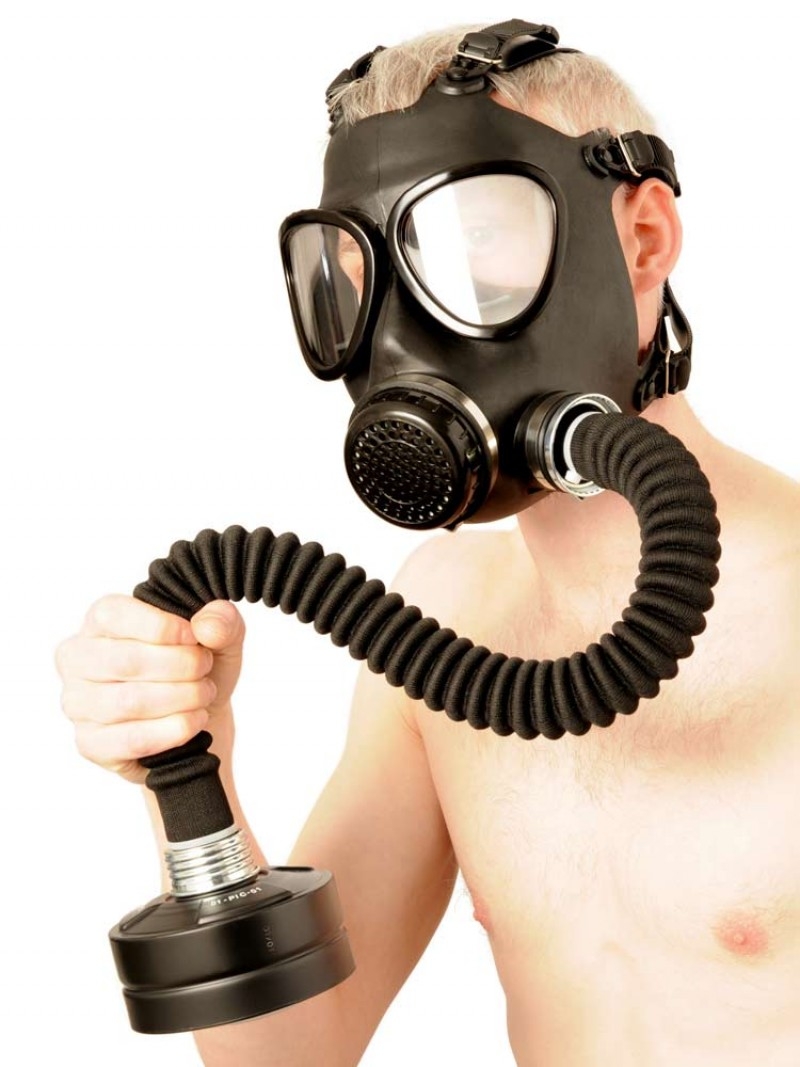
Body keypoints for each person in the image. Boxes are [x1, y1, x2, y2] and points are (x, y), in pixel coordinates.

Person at [56, 20, 800, 1066]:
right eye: (360, 271)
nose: (406, 334)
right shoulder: (442, 621)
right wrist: (190, 765)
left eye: (473, 240)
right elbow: (289, 1054)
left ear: (642, 239)